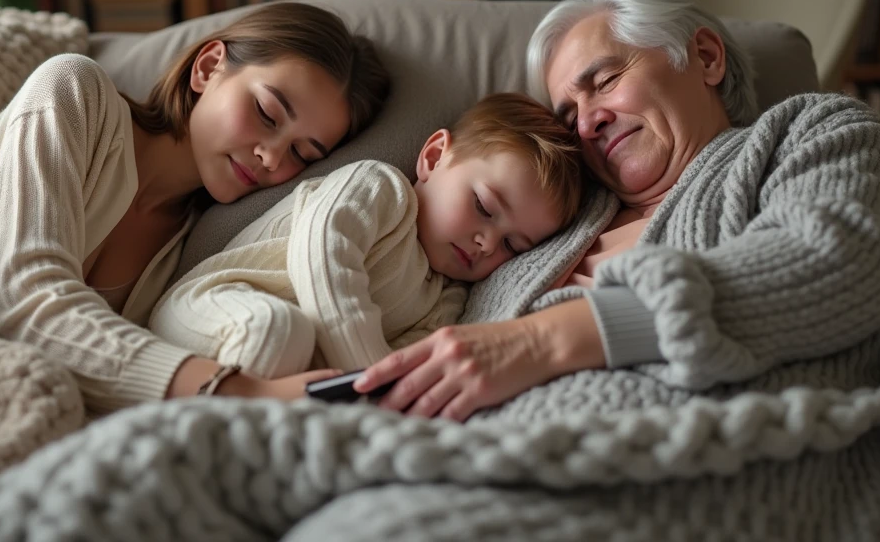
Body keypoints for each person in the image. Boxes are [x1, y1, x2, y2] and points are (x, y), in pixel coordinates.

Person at [355, 0, 880, 422]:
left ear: (706, 57)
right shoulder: (550, 216)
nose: (586, 123)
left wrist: (539, 343)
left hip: (680, 464)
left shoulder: (813, 132)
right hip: (452, 454)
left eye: (605, 81)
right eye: (568, 115)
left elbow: (844, 259)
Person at [0, 2, 391, 413]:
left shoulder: (192, 247)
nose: (271, 157)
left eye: (301, 154)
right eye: (267, 114)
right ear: (208, 68)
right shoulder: (73, 91)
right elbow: (24, 300)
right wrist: (240, 391)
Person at [148, 93, 583, 379]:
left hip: (281, 373)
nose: (487, 243)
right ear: (434, 157)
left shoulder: (447, 301)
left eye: (513, 246)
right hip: (207, 307)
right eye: (484, 207)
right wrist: (366, 373)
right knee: (277, 330)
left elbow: (402, 368)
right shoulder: (378, 188)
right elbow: (322, 257)